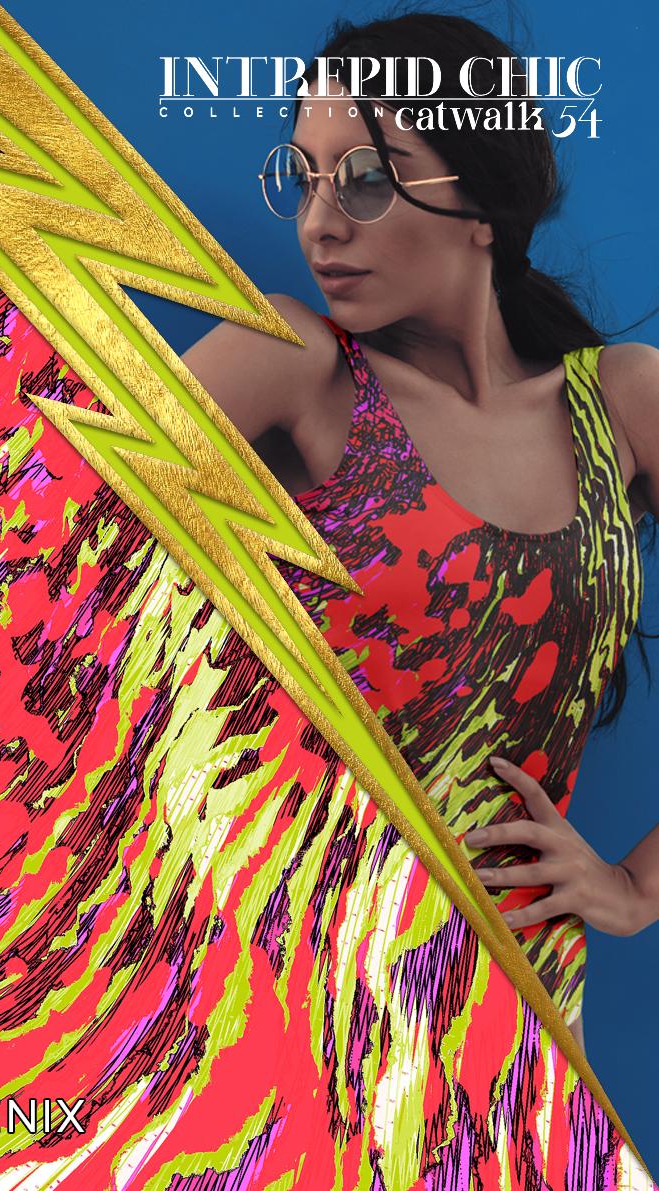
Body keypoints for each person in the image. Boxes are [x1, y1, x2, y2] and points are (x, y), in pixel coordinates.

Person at [181, 11, 659, 1053]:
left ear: (483, 202)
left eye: (364, 179)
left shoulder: (623, 402)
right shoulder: (293, 363)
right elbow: (36, 547)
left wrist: (633, 886)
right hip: (272, 1011)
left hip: (516, 1028)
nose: (319, 224)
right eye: (303, 178)